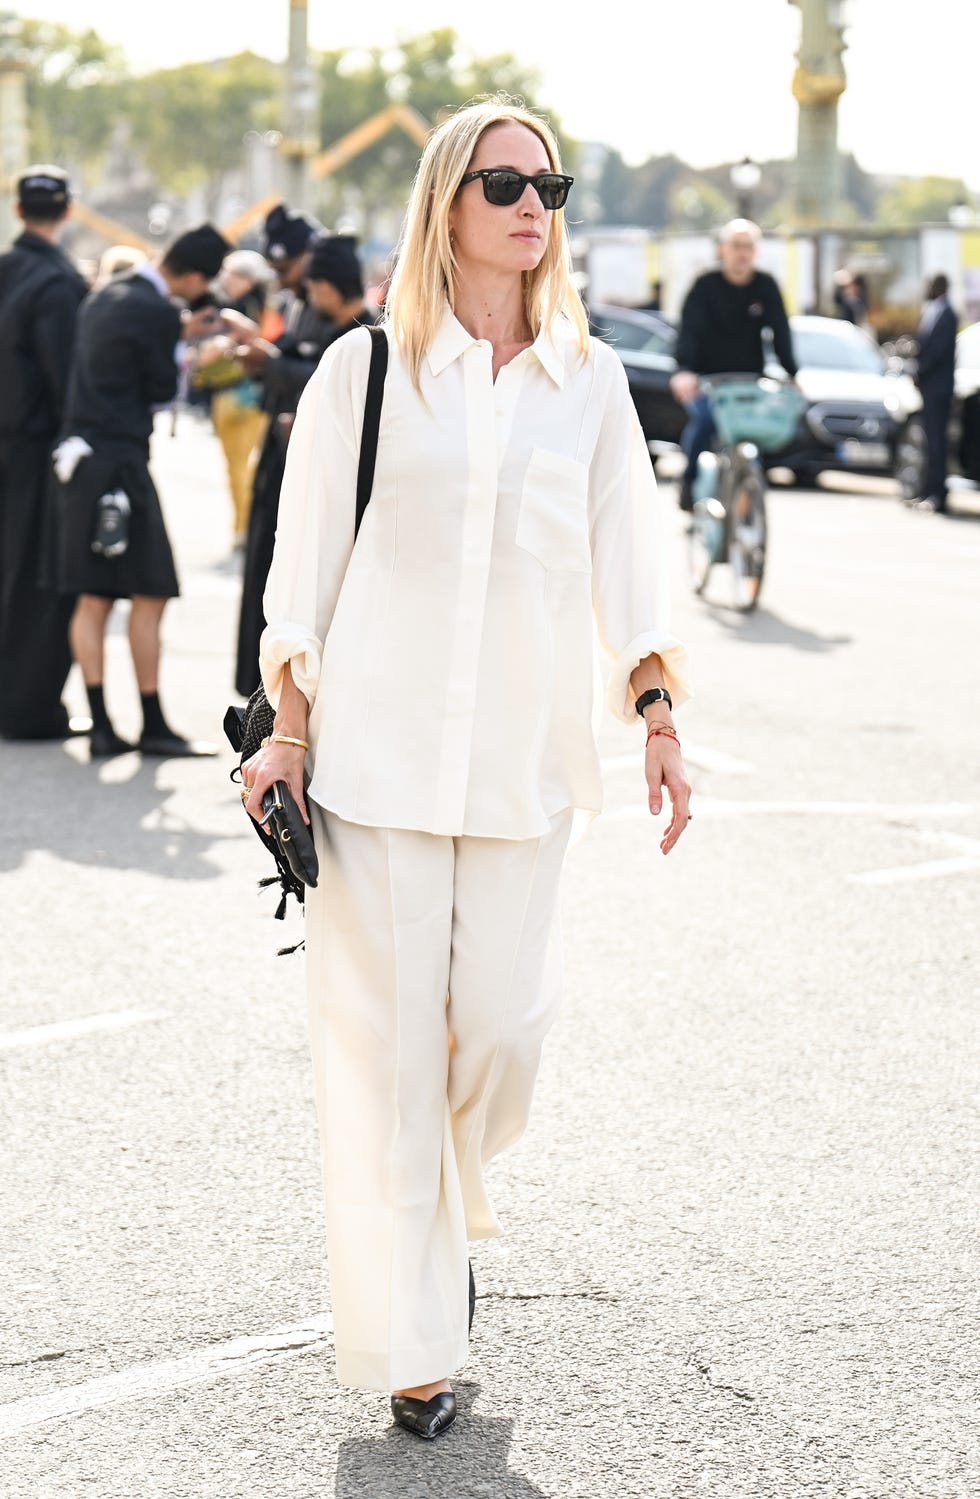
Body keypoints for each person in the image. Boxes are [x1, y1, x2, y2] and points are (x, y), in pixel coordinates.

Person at [240, 97, 692, 1441]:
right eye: (503, 183)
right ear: (446, 201)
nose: (531, 204)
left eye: (548, 184)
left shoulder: (588, 382)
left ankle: (444, 1199)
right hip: (372, 766)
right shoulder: (364, 369)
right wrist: (286, 729)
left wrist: (657, 710)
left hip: (521, 772)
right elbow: (303, 571)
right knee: (388, 1061)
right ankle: (419, 1345)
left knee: (498, 1032)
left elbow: (631, 562)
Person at [54, 223, 231, 758]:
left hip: (81, 457)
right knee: (151, 591)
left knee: (93, 596)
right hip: (123, 461)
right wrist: (190, 349)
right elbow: (160, 391)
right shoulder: (156, 311)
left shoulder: (107, 292)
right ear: (195, 277)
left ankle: (101, 724)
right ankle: (153, 723)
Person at [0, 164, 89, 742]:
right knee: (37, 576)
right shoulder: (59, 282)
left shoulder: (8, 270)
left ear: (17, 211)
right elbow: (67, 379)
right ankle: (28, 707)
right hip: (36, 449)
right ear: (68, 211)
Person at [233, 203, 336, 698]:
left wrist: (271, 361)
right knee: (263, 576)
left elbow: (323, 375)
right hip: (277, 455)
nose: (282, 278)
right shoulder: (295, 302)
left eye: (286, 267)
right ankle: (258, 692)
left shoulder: (338, 312)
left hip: (310, 463)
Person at [670, 219, 798, 510]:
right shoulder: (705, 285)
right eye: (737, 246)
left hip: (748, 381)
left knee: (754, 429)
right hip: (708, 380)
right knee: (705, 422)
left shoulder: (765, 286)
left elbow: (780, 331)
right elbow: (689, 332)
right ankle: (689, 482)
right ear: (723, 250)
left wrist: (793, 373)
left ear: (756, 252)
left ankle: (747, 495)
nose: (743, 253)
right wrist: (685, 371)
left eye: (748, 247)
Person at [193, 250, 276, 549]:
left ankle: (244, 527)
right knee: (244, 467)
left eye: (233, 274)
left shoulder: (238, 309)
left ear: (247, 279)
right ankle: (246, 526)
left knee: (239, 467)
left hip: (237, 395)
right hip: (253, 394)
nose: (227, 279)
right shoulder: (268, 305)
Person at [913, 272, 958, 514]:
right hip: (929, 389)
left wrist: (919, 371)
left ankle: (938, 495)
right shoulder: (932, 311)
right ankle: (927, 490)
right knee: (929, 443)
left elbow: (937, 352)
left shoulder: (948, 313)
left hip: (939, 391)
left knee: (937, 443)